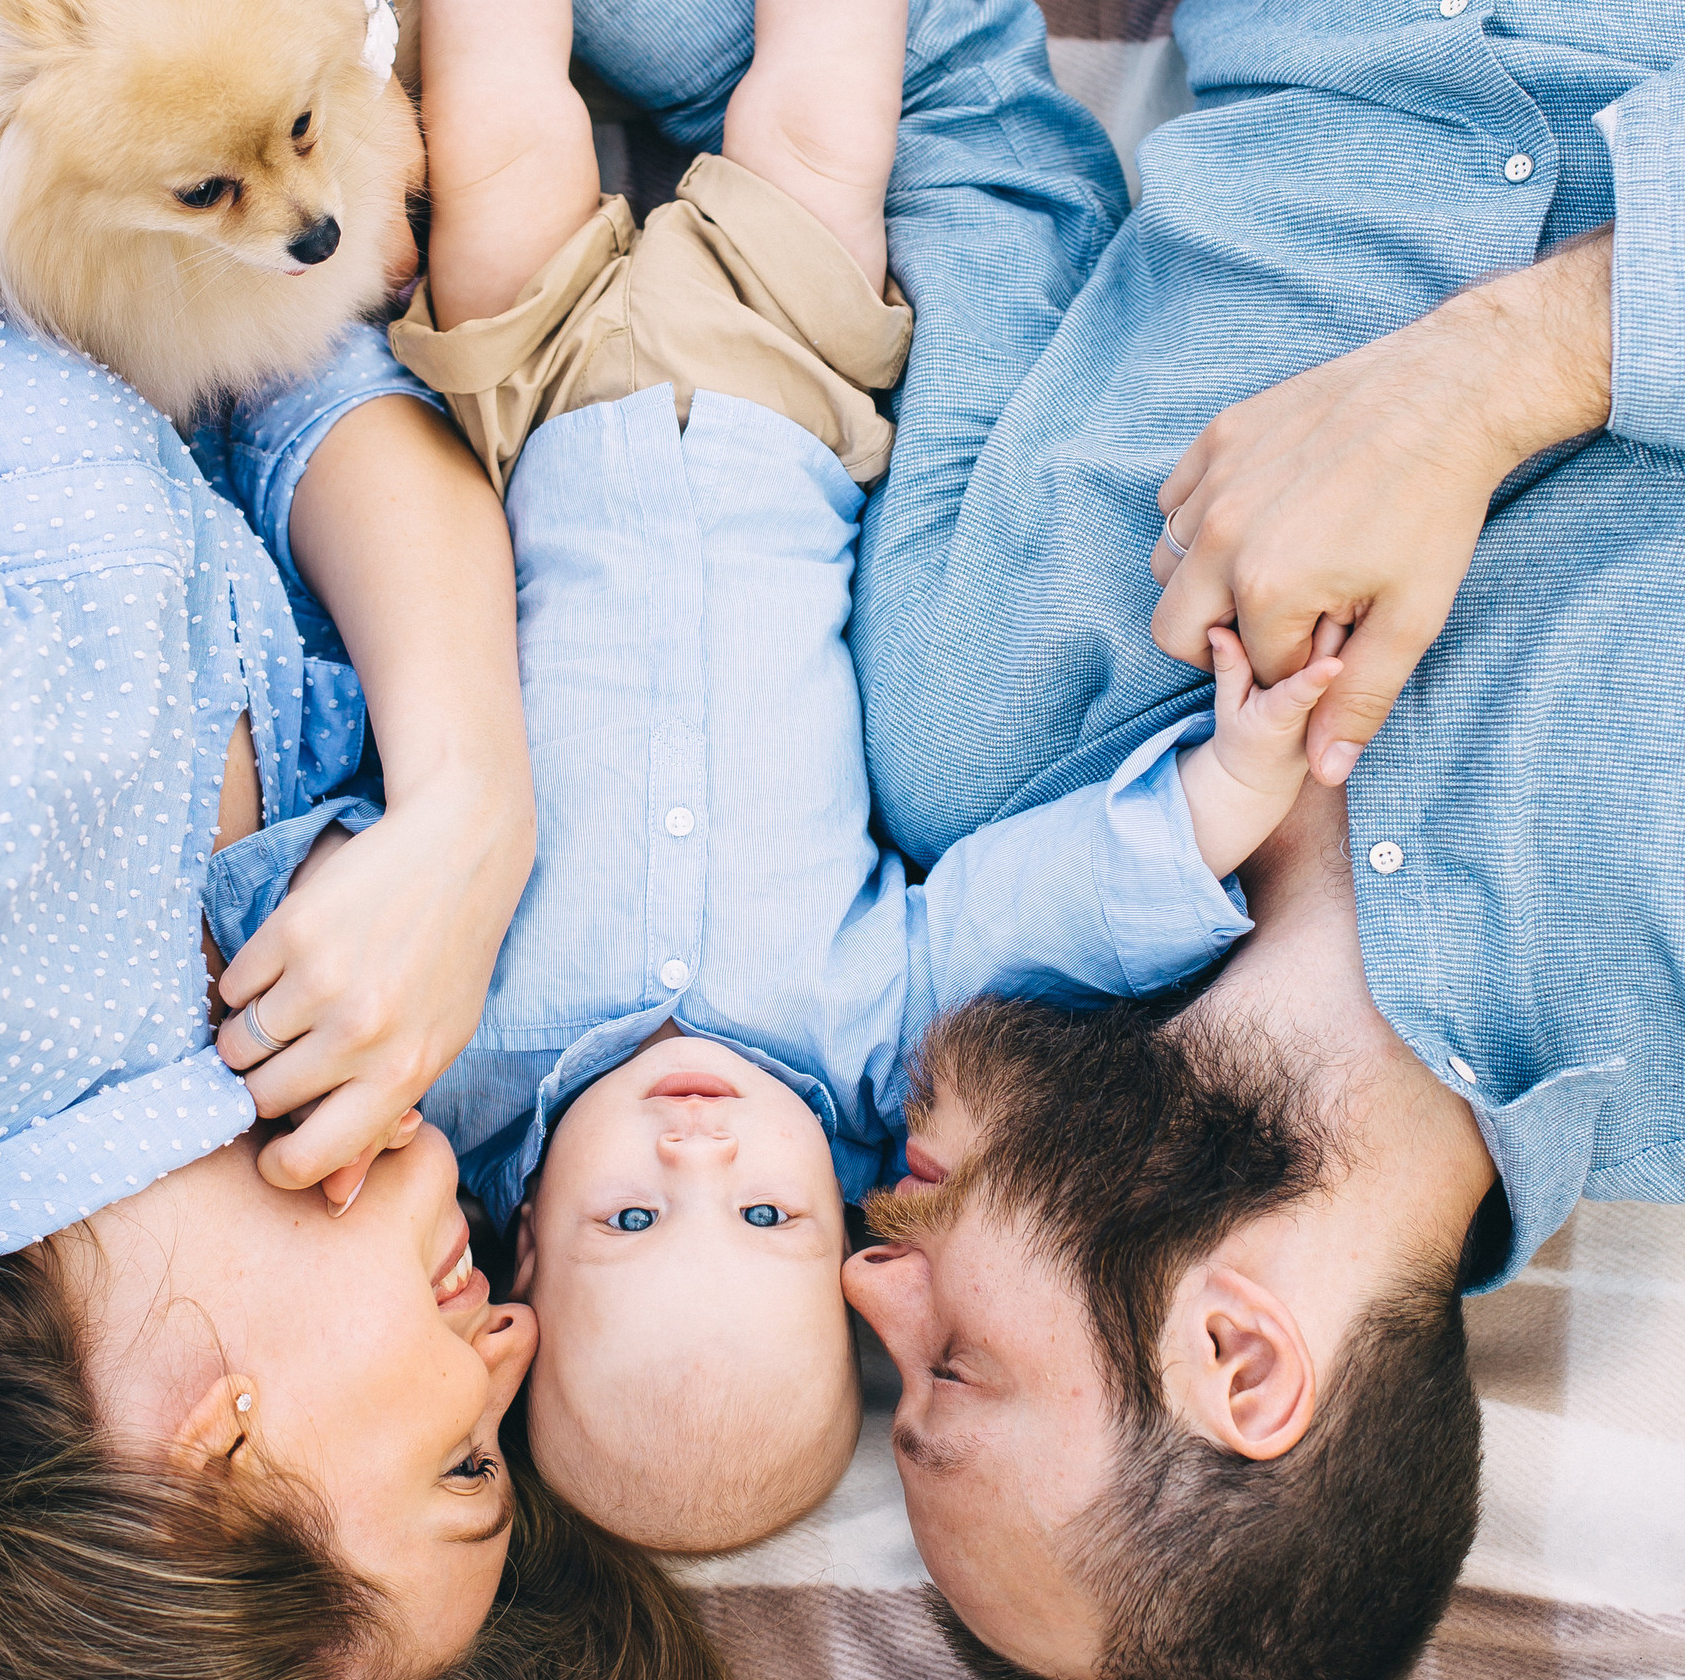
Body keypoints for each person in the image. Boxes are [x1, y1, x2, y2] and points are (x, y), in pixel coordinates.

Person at [572, 0, 1685, 1680]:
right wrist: (1499, 377)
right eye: (958, 1372)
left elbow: (911, 100)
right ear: (1241, 1362)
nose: (869, 1279)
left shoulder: (973, 746)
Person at [0, 0, 743, 1680]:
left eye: (465, 1468)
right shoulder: (257, 1028)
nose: (519, 1351)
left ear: (216, 1470)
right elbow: (282, 387)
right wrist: (468, 800)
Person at [378, 0, 1341, 1556]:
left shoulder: (455, 1061)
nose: (699, 1157)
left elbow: (359, 871)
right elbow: (1051, 908)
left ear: (527, 1268)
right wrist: (1226, 793)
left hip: (519, 408)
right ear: (843, 1234)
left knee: (493, 126)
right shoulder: (873, 1040)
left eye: (631, 1220)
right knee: (825, 121)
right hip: (783, 393)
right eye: (765, 1218)